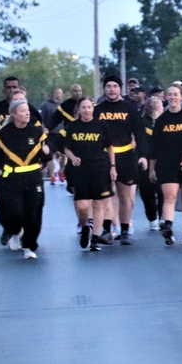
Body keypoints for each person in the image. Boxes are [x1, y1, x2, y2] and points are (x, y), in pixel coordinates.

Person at [0, 99, 50, 260]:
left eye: (28, 110)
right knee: (14, 213)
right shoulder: (5, 133)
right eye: (22, 111)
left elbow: (45, 156)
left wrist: (46, 152)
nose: (27, 113)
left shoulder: (36, 132)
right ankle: (15, 232)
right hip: (12, 179)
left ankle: (29, 246)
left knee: (33, 214)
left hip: (33, 178)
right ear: (14, 114)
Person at [95, 74, 148, 245]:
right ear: (104, 89)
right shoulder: (98, 110)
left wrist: (143, 155)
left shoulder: (130, 108)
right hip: (103, 157)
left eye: (115, 86)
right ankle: (106, 230)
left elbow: (140, 133)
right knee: (107, 195)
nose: (112, 89)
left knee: (125, 197)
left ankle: (125, 230)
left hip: (125, 155)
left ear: (121, 89)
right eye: (109, 86)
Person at [148, 84, 182, 246]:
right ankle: (169, 228)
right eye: (169, 95)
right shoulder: (161, 120)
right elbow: (154, 146)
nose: (172, 97)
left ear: (181, 97)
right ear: (165, 97)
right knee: (169, 196)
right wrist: (152, 168)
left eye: (175, 95)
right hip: (167, 163)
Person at [62, 97, 117, 251]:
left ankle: (95, 238)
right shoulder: (73, 127)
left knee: (99, 204)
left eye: (89, 107)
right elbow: (66, 148)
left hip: (100, 168)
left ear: (93, 109)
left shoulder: (101, 125)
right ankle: (85, 225)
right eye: (83, 107)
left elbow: (110, 147)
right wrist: (72, 157)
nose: (86, 110)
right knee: (82, 206)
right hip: (80, 171)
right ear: (79, 110)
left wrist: (113, 166)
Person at [138, 96, 166, 231]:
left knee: (163, 190)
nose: (162, 108)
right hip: (146, 160)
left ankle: (162, 216)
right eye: (160, 105)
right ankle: (152, 217)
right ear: (155, 107)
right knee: (147, 191)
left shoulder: (165, 122)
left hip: (162, 160)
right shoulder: (142, 123)